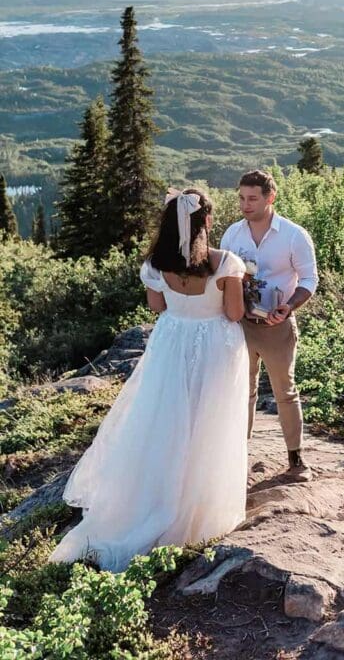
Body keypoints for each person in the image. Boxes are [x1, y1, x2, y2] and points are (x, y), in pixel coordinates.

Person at [49, 188, 248, 573]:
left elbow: (156, 306)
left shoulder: (157, 264)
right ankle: (199, 508)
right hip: (215, 350)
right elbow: (235, 313)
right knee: (210, 424)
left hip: (172, 345)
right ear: (206, 221)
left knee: (164, 421)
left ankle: (153, 498)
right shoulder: (226, 264)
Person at [220, 170, 318, 481]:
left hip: (278, 326)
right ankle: (238, 460)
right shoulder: (232, 235)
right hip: (241, 325)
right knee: (242, 392)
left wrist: (289, 307)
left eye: (252, 199)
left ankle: (296, 460)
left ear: (270, 198)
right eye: (241, 198)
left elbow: (309, 279)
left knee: (285, 392)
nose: (245, 205)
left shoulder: (293, 235)